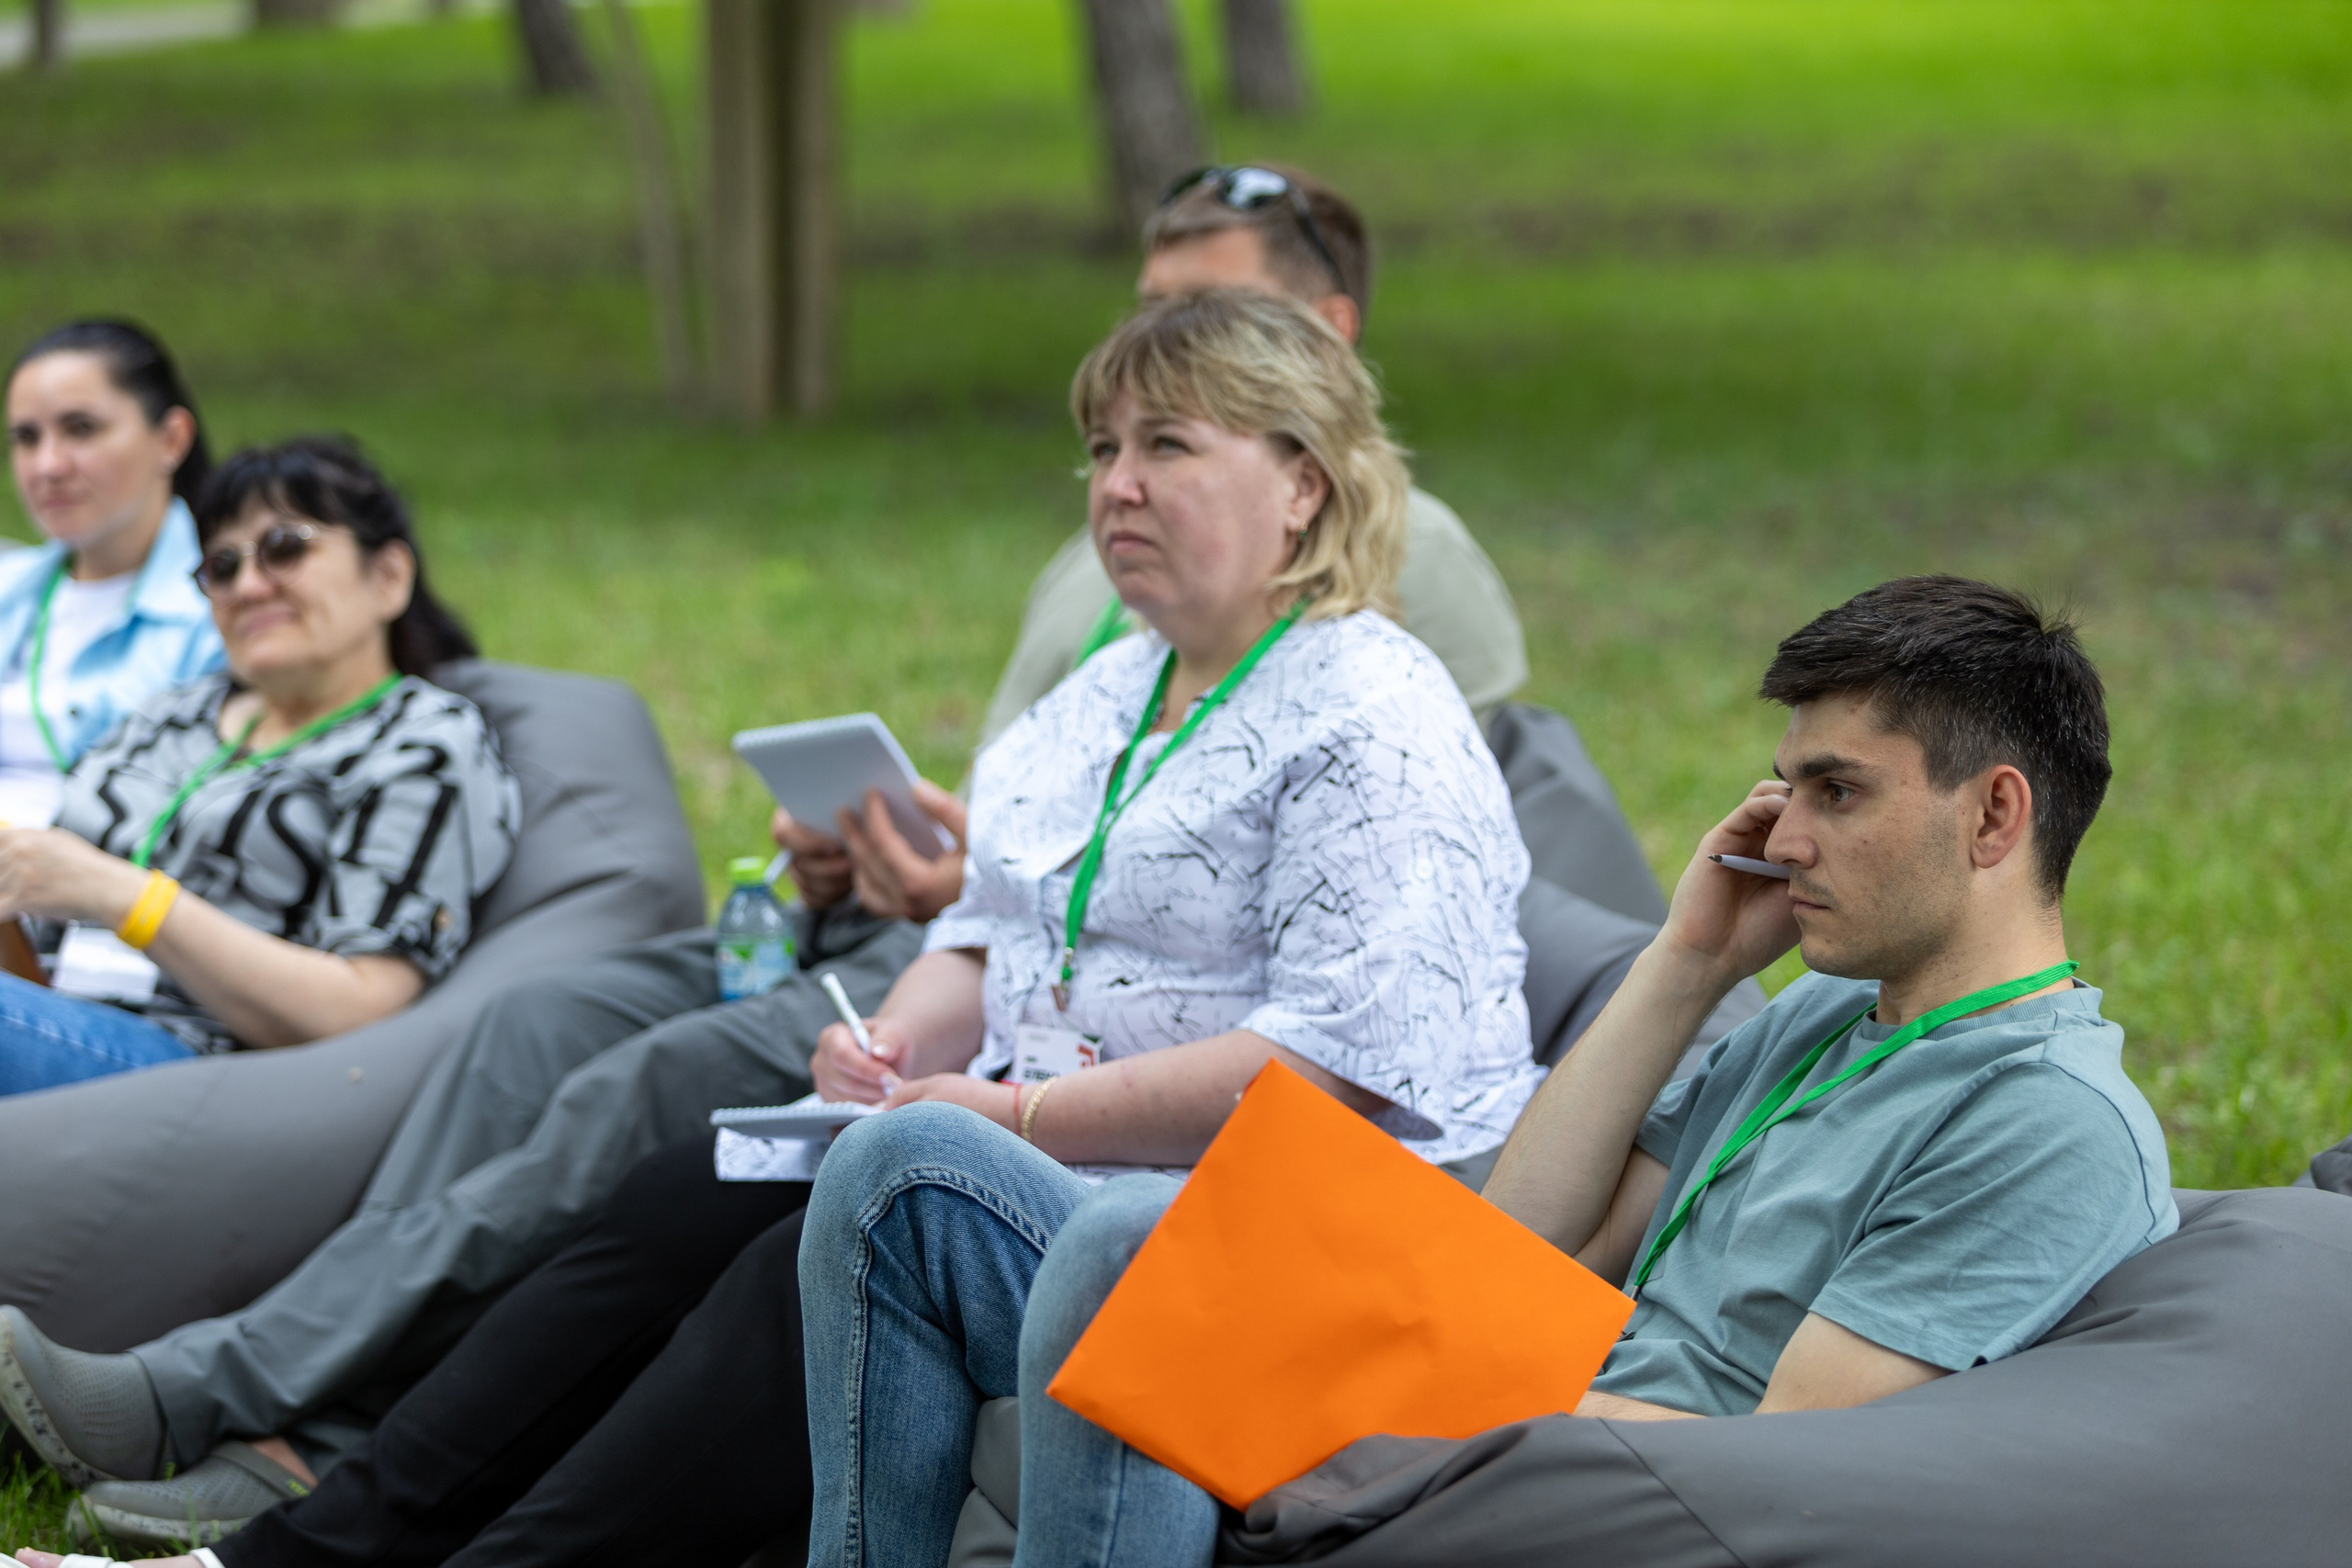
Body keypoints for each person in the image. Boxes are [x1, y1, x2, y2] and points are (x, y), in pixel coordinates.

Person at [5, 287, 1543, 1568]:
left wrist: (1005, 1106)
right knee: (679, 1194)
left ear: (1307, 485)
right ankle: (312, 1541)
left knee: (816, 1236)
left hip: (1277, 1222)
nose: (1113, 486)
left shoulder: (1369, 712)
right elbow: (996, 933)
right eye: (1098, 448)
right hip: (1060, 1153)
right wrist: (892, 1042)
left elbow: (1336, 1068)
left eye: (1165, 447)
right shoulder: (1125, 686)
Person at [790, 575, 2179, 1568]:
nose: (1787, 834)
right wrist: (1687, 961)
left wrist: (1376, 1373)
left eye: (1838, 790)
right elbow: (1525, 1231)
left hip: (1603, 1480)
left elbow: (1786, 1463)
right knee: (906, 1165)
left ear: (1995, 812)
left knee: (1130, 1253)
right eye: (1788, 787)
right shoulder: (1821, 1022)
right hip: (1530, 1390)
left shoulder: (2042, 1116)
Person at [0, 435, 518, 1097]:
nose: (248, 584)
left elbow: (361, 1006)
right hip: (46, 1016)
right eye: (221, 565)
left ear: (388, 576)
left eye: (286, 548)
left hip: (201, 1071)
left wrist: (129, 898)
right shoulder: (173, 714)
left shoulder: (421, 742)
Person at [3, 320, 225, 828]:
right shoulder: (10, 588)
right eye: (26, 438)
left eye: (81, 429)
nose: (48, 465)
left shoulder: (225, 610)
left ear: (171, 439)